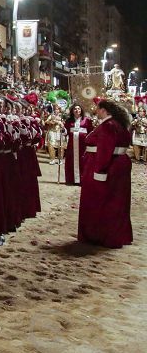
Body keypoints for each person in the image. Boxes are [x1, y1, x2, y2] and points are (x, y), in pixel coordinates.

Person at [78, 99, 133, 248]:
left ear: (104, 110)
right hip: (119, 164)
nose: (96, 111)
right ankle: (117, 234)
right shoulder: (119, 124)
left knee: (104, 202)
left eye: (98, 109)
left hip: (107, 166)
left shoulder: (108, 126)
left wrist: (99, 170)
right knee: (118, 201)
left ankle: (100, 234)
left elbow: (104, 149)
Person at [64, 104, 92, 185]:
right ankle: (71, 179)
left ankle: (82, 180)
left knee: (83, 160)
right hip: (72, 145)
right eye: (75, 109)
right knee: (71, 160)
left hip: (83, 145)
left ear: (81, 110)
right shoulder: (69, 121)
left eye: (78, 109)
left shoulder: (87, 120)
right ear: (72, 111)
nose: (77, 110)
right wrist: (62, 129)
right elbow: (66, 132)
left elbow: (90, 132)